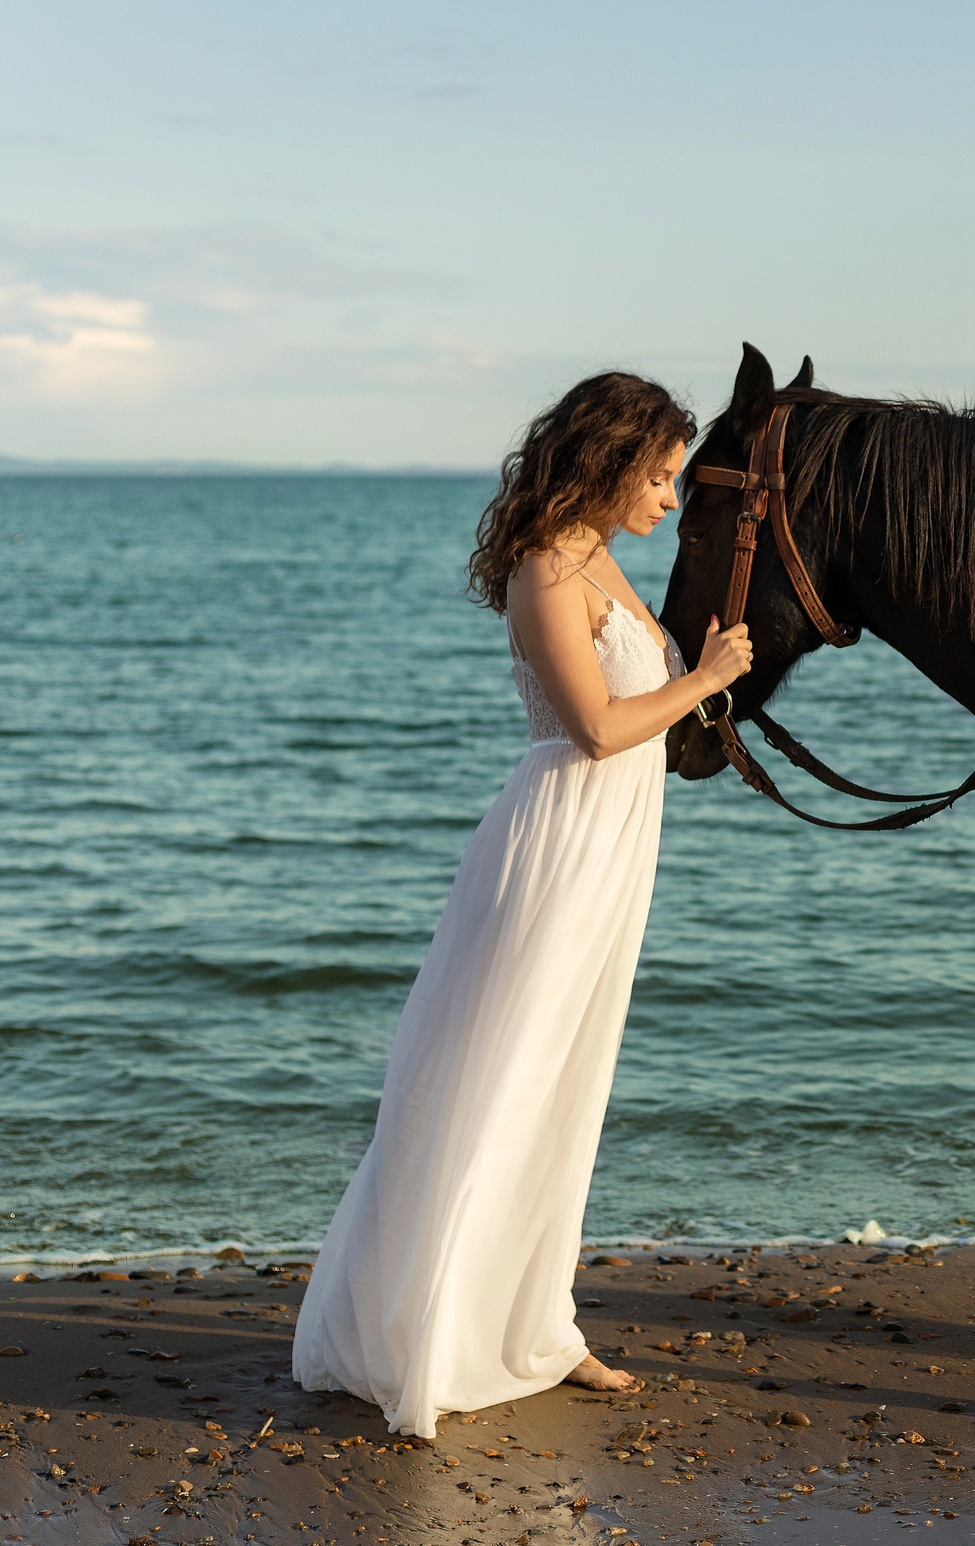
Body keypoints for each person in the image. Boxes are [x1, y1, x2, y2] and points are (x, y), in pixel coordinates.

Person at [291, 372, 752, 1438]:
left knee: (565, 1087)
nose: (673, 498)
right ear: (612, 460)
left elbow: (642, 718)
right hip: (556, 846)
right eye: (664, 475)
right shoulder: (548, 568)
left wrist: (702, 684)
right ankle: (439, 1332)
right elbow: (594, 727)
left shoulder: (604, 564)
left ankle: (541, 1324)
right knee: (503, 1078)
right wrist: (711, 672)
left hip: (610, 849)